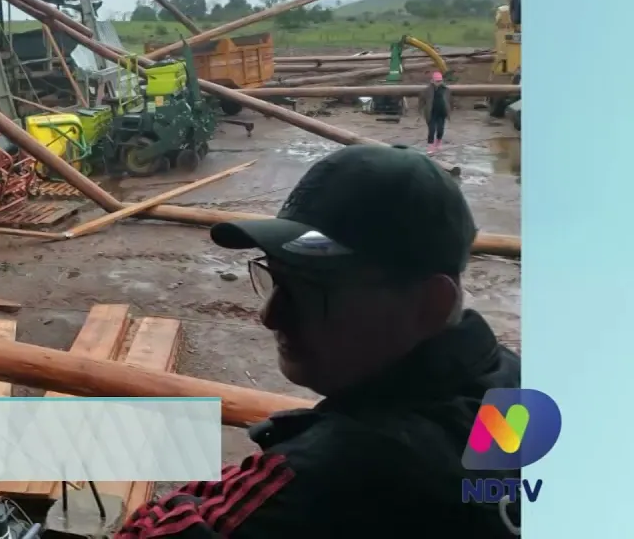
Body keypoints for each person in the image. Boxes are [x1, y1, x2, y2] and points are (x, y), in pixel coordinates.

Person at [117, 144, 520, 538]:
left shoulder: (338, 475)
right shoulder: (513, 383)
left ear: (429, 305)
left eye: (310, 291)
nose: (269, 315)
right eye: (275, 280)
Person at [419, 71, 451, 154]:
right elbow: (421, 101)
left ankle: (438, 142)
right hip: (431, 113)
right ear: (432, 81)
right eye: (437, 81)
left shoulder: (446, 90)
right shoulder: (427, 90)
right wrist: (421, 110)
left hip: (441, 112)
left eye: (440, 81)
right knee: (432, 130)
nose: (439, 83)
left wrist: (449, 110)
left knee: (440, 129)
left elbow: (449, 100)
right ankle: (430, 145)